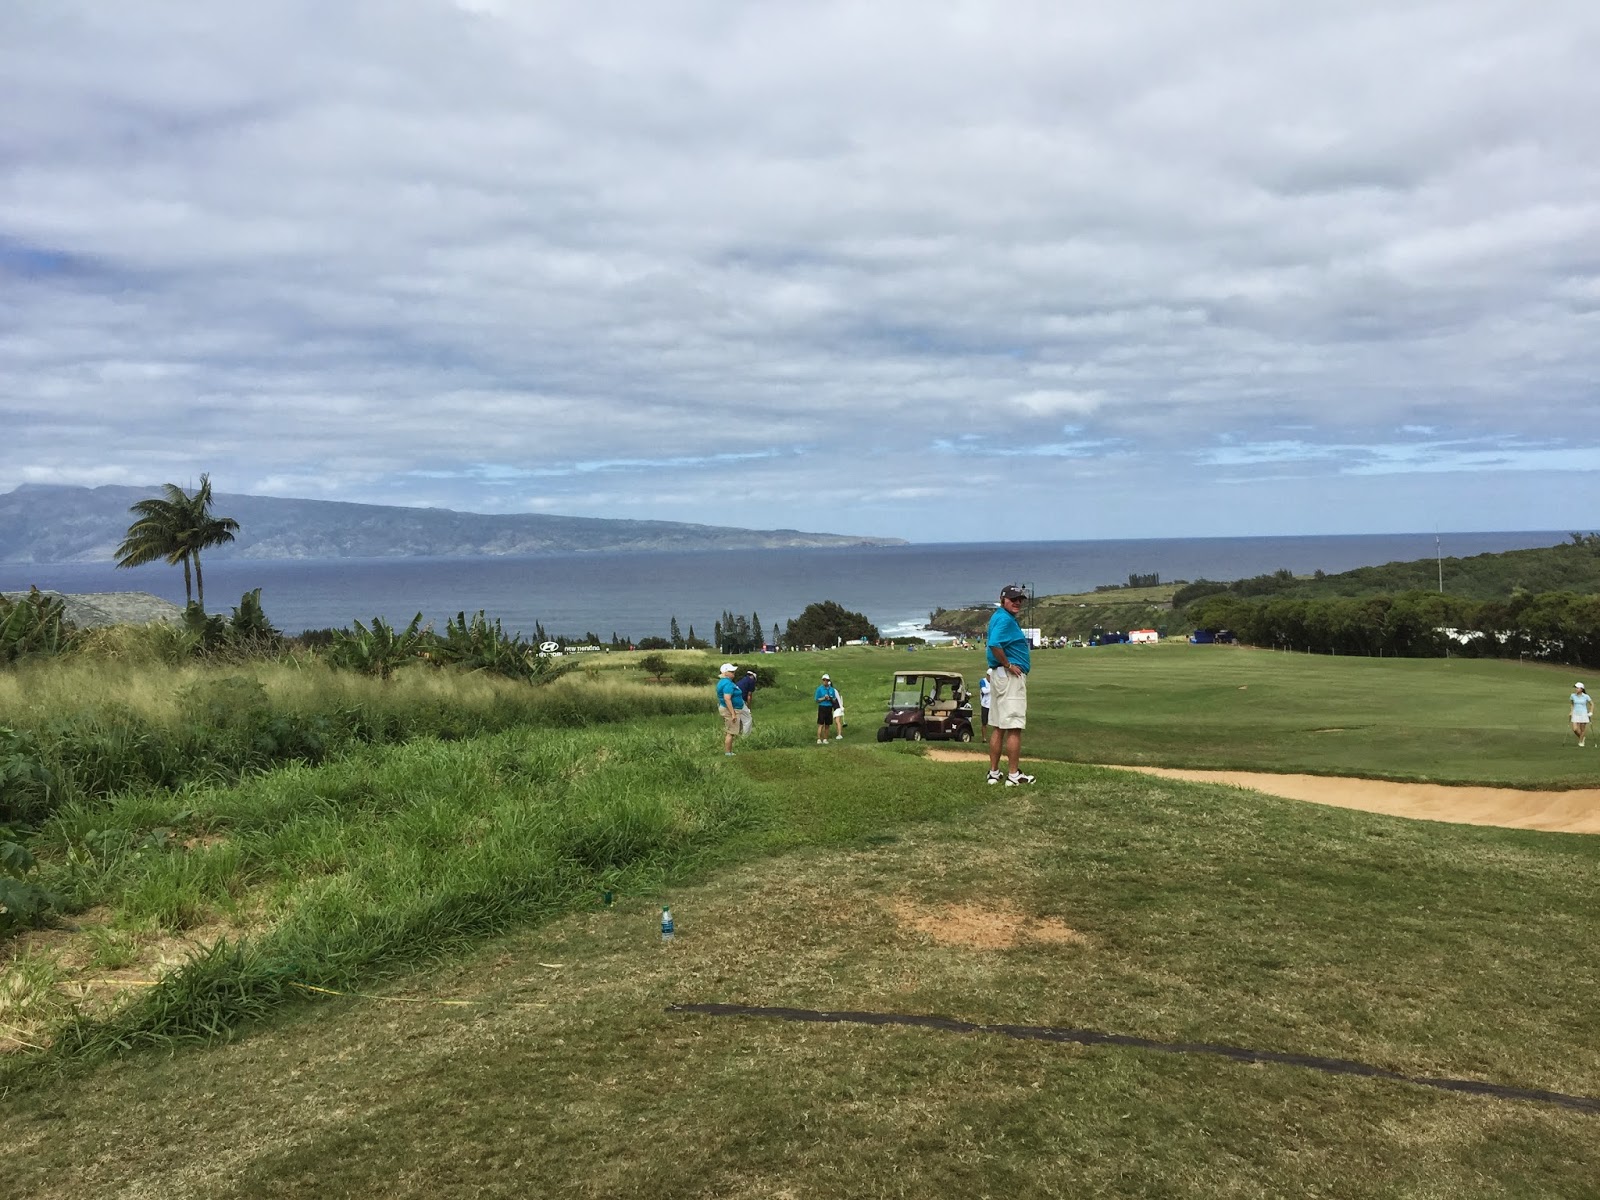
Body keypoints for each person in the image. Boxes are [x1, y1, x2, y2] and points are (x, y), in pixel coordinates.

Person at [986, 584, 1035, 785]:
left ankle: (994, 773)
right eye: (1013, 599)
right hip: (1009, 676)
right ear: (1002, 599)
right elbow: (994, 644)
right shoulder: (1005, 620)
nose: (1017, 602)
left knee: (998, 726)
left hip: (999, 675)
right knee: (1013, 726)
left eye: (1019, 600)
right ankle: (1013, 776)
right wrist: (1008, 664)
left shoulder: (999, 616)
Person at [716, 662, 745, 756]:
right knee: (731, 732)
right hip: (730, 710)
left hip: (729, 709)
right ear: (725, 673)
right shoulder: (727, 684)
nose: (733, 673)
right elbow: (727, 698)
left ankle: (729, 751)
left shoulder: (724, 682)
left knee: (733, 730)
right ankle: (728, 753)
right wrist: (733, 713)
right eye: (731, 671)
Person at [815, 673, 841, 744]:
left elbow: (834, 700)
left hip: (829, 707)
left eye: (826, 680)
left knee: (827, 724)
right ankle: (819, 739)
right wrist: (824, 698)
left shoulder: (832, 690)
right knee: (821, 724)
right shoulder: (819, 689)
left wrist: (830, 698)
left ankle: (825, 739)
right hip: (822, 707)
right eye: (824, 680)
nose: (825, 681)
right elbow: (817, 700)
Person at [736, 670, 758, 737]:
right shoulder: (751, 681)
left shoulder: (741, 680)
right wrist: (749, 708)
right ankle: (745, 738)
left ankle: (737, 735)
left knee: (739, 719)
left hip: (734, 701)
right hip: (740, 701)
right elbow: (749, 696)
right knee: (748, 719)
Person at [1571, 682, 1593, 747]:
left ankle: (1581, 742)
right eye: (1576, 688)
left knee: (1582, 729)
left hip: (1583, 714)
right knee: (1575, 729)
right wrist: (1571, 711)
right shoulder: (1573, 695)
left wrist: (1591, 712)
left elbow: (1592, 704)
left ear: (1581, 689)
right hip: (1575, 713)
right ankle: (1582, 737)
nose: (1576, 689)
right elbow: (1572, 704)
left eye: (1577, 688)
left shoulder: (1586, 696)